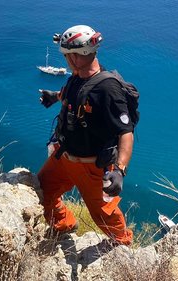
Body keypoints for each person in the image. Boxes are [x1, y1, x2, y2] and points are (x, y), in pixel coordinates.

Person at [37, 24, 135, 245]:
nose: (66, 59)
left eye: (68, 54)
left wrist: (119, 170)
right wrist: (55, 96)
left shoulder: (108, 89)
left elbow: (126, 132)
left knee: (104, 215)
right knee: (42, 191)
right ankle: (64, 225)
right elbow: (74, 97)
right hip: (63, 158)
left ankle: (123, 245)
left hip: (92, 168)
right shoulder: (77, 76)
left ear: (77, 56)